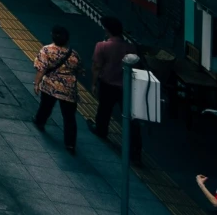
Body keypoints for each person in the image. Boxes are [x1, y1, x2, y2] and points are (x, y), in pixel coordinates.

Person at [90, 16, 141, 144]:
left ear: (107, 30)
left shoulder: (102, 46)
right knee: (130, 116)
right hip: (126, 87)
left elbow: (97, 66)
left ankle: (101, 131)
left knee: (104, 110)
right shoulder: (131, 48)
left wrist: (94, 83)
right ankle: (135, 147)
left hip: (108, 84)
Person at [31, 25, 81, 154]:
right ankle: (70, 144)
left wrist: (37, 83)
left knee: (46, 106)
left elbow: (41, 68)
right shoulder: (74, 54)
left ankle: (40, 122)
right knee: (69, 117)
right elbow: (79, 70)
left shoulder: (47, 50)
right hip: (68, 88)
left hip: (50, 85)